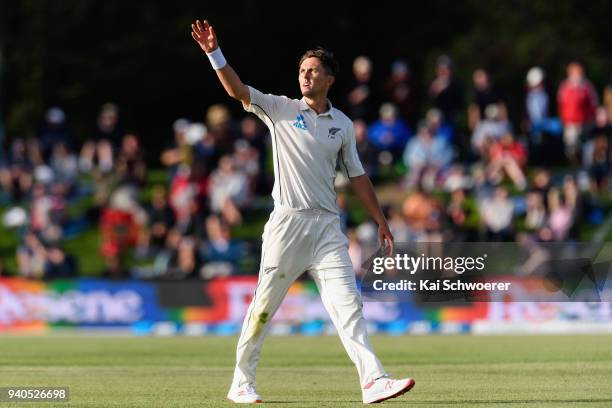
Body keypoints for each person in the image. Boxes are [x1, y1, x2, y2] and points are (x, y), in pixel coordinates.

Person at [191, 19, 415, 404]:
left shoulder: (342, 125)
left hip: (327, 228)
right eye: (301, 71)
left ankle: (373, 380)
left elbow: (358, 176)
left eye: (313, 71)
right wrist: (214, 53)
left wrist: (380, 219)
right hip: (287, 225)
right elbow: (237, 90)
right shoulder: (279, 108)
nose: (306, 76)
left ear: (329, 79)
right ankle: (241, 382)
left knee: (349, 308)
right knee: (263, 307)